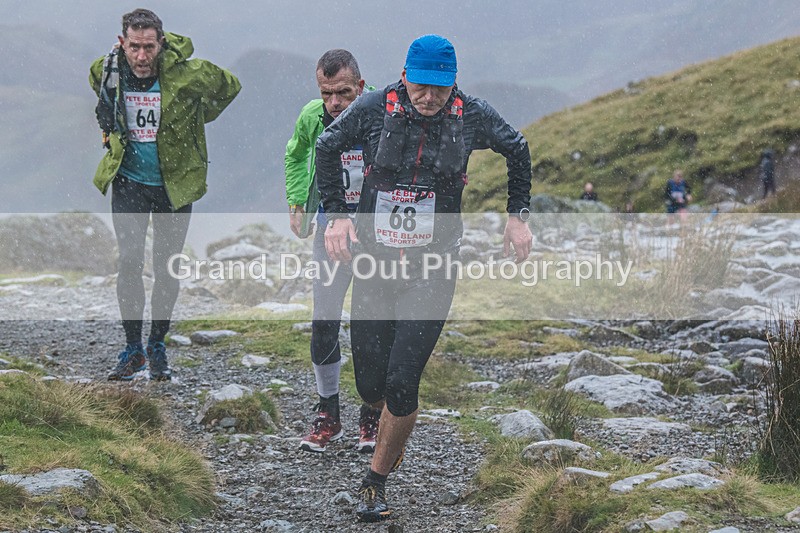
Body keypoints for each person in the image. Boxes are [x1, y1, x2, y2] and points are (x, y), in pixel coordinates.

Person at [315, 34, 532, 522]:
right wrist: (337, 215)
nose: (429, 97)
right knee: (369, 383)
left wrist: (517, 216)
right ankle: (384, 423)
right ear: (404, 76)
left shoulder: (471, 115)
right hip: (374, 264)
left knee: (402, 380)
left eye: (439, 87)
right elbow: (326, 148)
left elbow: (517, 149)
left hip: (433, 269)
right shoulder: (374, 108)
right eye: (420, 86)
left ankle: (375, 481)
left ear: (454, 82)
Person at [90, 9, 240, 381]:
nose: (142, 56)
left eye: (149, 47)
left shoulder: (189, 73)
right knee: (129, 261)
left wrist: (197, 115)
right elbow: (99, 87)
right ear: (122, 43)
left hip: (175, 185)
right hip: (129, 183)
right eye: (134, 47)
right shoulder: (107, 70)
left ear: (162, 43)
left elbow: (230, 86)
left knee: (166, 266)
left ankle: (157, 344)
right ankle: (133, 349)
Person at [284, 49, 383, 454]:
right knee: (324, 318)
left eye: (343, 93)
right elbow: (295, 154)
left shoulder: (382, 110)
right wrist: (297, 201)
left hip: (376, 235)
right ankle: (328, 413)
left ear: (360, 85)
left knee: (372, 325)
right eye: (326, 94)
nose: (334, 103)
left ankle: (372, 416)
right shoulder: (313, 116)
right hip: (330, 231)